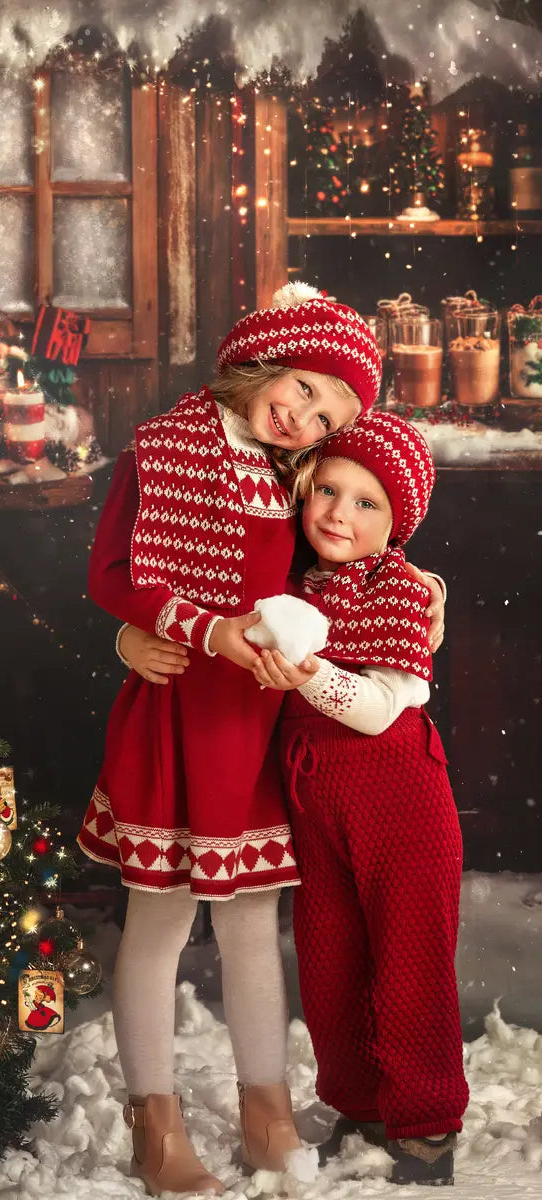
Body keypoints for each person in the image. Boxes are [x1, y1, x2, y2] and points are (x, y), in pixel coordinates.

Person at [78, 283, 428, 1196]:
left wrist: (420, 589)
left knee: (249, 921)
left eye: (330, 416)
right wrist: (165, 628)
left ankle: (264, 1105)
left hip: (262, 726)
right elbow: (113, 571)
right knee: (157, 920)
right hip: (179, 717)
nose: (305, 417)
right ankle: (154, 1117)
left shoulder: (296, 475)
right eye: (308, 389)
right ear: (269, 359)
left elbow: (351, 554)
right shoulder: (160, 451)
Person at [250, 411, 468, 1186]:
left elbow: (378, 709)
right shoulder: (294, 582)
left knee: (407, 963)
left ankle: (427, 1123)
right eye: (328, 491)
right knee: (331, 959)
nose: (339, 513)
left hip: (399, 798)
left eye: (367, 503)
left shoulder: (403, 595)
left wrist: (306, 670)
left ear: (396, 524)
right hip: (317, 798)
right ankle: (358, 1101)